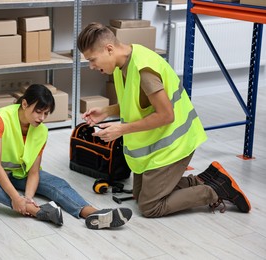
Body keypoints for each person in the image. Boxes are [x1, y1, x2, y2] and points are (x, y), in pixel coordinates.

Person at [77, 22, 251, 217]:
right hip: (157, 142)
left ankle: (214, 191)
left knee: (150, 207)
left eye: (92, 60)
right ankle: (205, 179)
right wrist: (107, 111)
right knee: (139, 194)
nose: (91, 66)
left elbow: (167, 115)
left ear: (109, 49)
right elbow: (138, 104)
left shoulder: (144, 70)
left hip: (175, 143)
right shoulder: (121, 64)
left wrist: (121, 129)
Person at [0, 84, 132, 229]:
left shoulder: (41, 131)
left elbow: (33, 172)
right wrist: (16, 198)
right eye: (39, 112)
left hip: (19, 173)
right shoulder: (0, 119)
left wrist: (29, 197)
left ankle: (93, 213)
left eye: (46, 113)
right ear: (24, 104)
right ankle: (36, 211)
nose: (42, 118)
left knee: (57, 183)